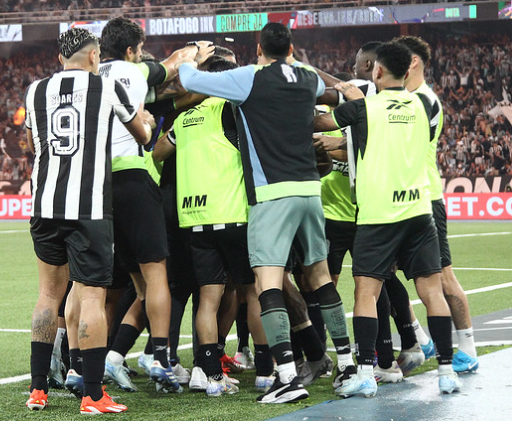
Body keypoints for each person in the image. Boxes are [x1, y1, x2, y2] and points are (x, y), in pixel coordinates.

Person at [178, 22, 354, 404]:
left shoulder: (248, 78)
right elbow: (342, 99)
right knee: (321, 279)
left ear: (259, 50)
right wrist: (343, 90)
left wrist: (193, 55)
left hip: (272, 195)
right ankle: (349, 367)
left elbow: (189, 79)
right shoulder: (307, 78)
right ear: (291, 49)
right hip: (310, 190)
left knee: (267, 285)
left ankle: (287, 377)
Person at [316, 41, 461, 397]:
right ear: (408, 70)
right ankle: (446, 371)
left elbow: (318, 123)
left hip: (378, 215)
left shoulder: (363, 108)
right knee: (431, 292)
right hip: (417, 212)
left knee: (366, 291)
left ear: (377, 71)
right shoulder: (426, 104)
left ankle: (365, 373)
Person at [24, 27, 147, 414]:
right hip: (89, 209)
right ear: (95, 57)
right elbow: (142, 136)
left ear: (61, 60)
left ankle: (38, 390)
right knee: (92, 296)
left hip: (44, 205)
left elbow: (31, 144)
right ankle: (93, 394)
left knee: (48, 296)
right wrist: (146, 119)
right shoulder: (106, 87)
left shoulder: (35, 91)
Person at [96, 17, 213, 393]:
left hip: (96, 186)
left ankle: (88, 363)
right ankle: (160, 356)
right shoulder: (134, 70)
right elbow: (175, 62)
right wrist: (197, 52)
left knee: (113, 282)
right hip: (133, 177)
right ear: (131, 50)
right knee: (157, 275)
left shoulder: (89, 75)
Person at [154, 57, 276, 397]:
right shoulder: (231, 109)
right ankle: (266, 371)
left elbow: (158, 152)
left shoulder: (186, 117)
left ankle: (211, 376)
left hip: (194, 219)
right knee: (252, 292)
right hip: (233, 213)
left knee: (207, 299)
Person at [395, 35, 480, 373]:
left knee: (443, 278)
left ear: (412, 62)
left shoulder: (424, 100)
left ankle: (468, 349)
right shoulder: (405, 98)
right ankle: (420, 338)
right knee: (380, 275)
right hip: (398, 199)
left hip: (425, 200)